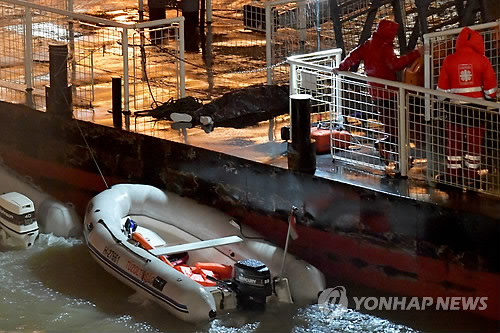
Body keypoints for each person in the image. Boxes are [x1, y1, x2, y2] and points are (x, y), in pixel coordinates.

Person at [337, 19, 422, 171]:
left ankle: (394, 153)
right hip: (389, 92)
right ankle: (395, 155)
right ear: (389, 33)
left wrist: (342, 67)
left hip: (376, 93)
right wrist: (415, 54)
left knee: (392, 125)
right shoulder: (385, 47)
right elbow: (395, 64)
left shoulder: (369, 44)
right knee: (397, 126)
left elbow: (353, 56)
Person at [437, 26, 497, 186]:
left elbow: (441, 92)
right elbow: (491, 90)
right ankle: (472, 176)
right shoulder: (483, 60)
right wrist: (490, 98)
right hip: (477, 110)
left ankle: (452, 174)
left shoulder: (449, 60)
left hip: (455, 110)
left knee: (453, 142)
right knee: (474, 144)